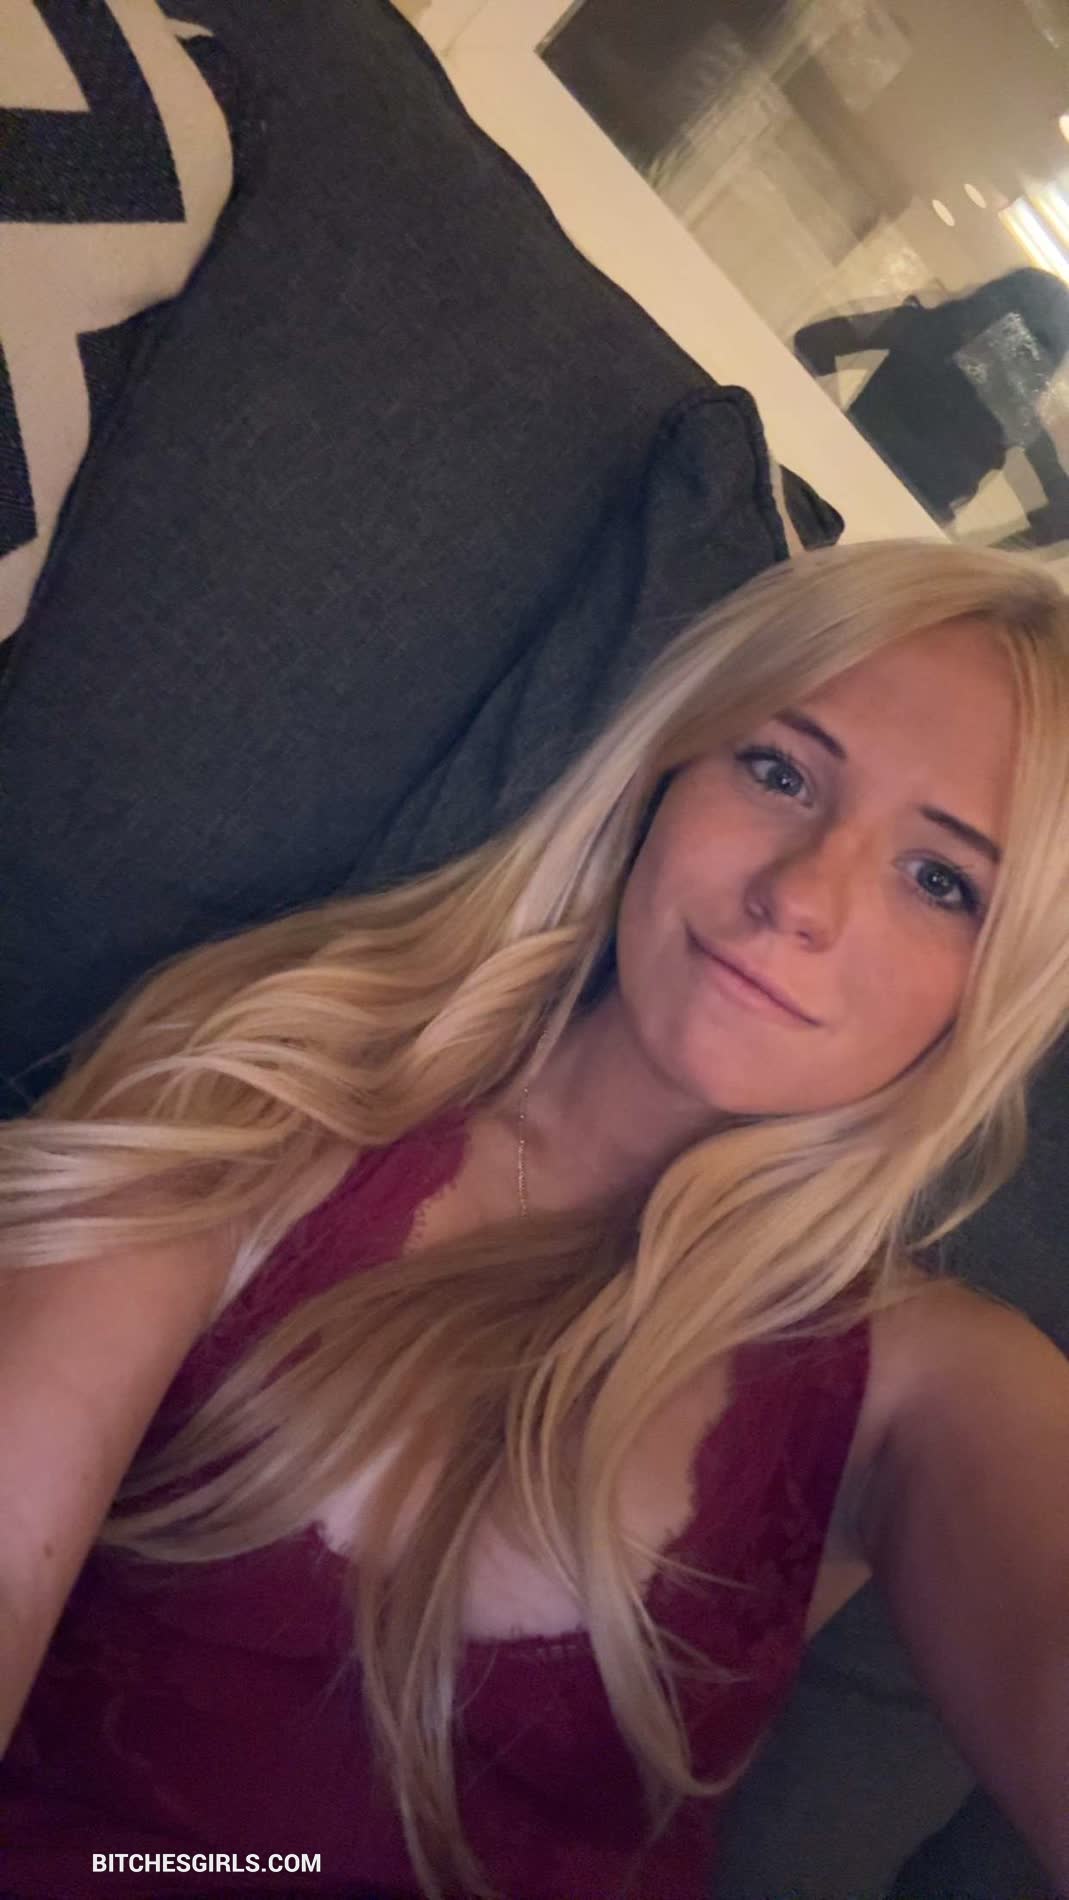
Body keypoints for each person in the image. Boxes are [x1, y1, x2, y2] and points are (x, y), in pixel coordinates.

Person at [2, 540, 1068, 1900]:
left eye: (941, 882)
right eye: (779, 771)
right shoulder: (273, 1090)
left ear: (997, 991)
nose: (801, 897)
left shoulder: (924, 1384)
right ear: (667, 770)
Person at [795, 269, 1069, 545]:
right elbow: (1062, 515)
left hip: (822, 480)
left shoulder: (922, 329)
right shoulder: (1019, 422)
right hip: (883, 535)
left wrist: (830, 421)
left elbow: (812, 342)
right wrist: (974, 550)